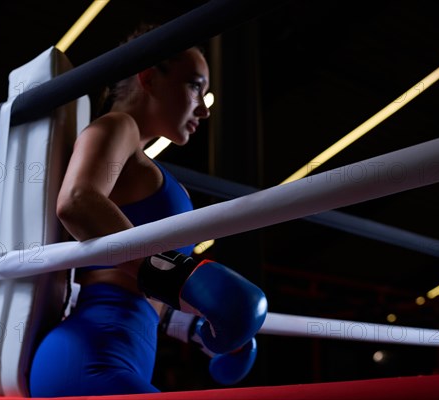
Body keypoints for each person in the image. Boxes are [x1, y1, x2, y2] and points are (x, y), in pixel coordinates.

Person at [28, 26, 266, 396]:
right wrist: (177, 276)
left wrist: (197, 330)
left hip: (119, 349)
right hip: (91, 355)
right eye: (194, 86)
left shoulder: (142, 164)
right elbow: (77, 201)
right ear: (149, 78)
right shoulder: (118, 126)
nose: (203, 108)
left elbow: (140, 287)